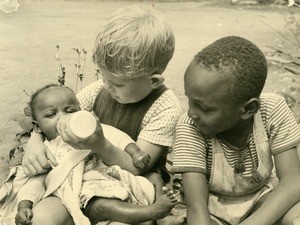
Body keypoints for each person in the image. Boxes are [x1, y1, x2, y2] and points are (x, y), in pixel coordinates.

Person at [21, 5, 183, 225]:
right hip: (81, 178)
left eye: (116, 83)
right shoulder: (100, 89)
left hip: (130, 190)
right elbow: (62, 120)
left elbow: (139, 167)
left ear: (153, 80)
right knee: (41, 219)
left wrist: (101, 145)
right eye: (103, 77)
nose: (107, 86)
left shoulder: (164, 107)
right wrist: (35, 139)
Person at [0, 84, 179, 225]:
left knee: (152, 180)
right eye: (51, 114)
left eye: (70, 111)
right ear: (37, 127)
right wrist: (25, 205)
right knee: (104, 206)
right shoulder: (46, 149)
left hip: (106, 182)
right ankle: (152, 212)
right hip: (79, 196)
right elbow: (35, 181)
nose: (63, 117)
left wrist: (136, 152)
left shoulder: (93, 133)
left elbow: (120, 139)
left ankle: (158, 217)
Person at [171, 35, 300, 225]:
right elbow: (197, 208)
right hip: (210, 207)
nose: (191, 113)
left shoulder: (272, 110)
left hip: (260, 198)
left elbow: (293, 182)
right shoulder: (190, 127)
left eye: (204, 108)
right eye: (190, 100)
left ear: (248, 109)